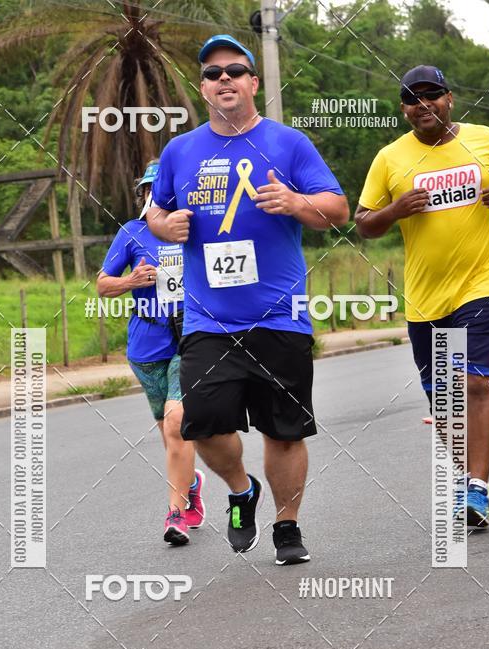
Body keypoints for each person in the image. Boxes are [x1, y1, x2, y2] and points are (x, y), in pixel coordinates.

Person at [146, 34, 349, 564]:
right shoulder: (179, 150)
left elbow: (338, 209)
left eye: (235, 70)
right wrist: (166, 225)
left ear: (254, 82)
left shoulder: (288, 144)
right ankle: (241, 490)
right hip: (209, 320)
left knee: (283, 431)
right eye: (213, 74)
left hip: (280, 315)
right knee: (204, 424)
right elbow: (154, 211)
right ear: (203, 87)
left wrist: (295, 201)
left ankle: (287, 526)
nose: (224, 80)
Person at [355, 65, 489, 528]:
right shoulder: (390, 158)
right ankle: (461, 479)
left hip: (484, 284)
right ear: (404, 110)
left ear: (449, 99)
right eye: (413, 99)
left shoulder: (484, 138)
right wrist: (396, 210)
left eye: (431, 95)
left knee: (475, 382)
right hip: (425, 297)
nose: (423, 105)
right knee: (445, 400)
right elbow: (363, 222)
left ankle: (478, 488)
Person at [97, 159, 206, 546]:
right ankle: (190, 483)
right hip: (146, 344)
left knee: (177, 423)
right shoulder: (132, 233)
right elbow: (102, 285)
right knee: (167, 429)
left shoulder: (196, 231)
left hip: (189, 339)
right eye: (149, 191)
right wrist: (131, 280)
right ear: (142, 195)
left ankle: (176, 514)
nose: (155, 197)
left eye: (164, 192)